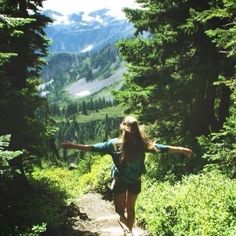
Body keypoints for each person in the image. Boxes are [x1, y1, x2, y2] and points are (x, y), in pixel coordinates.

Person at [62, 115, 192, 235]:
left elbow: (92, 147)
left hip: (120, 181)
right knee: (131, 209)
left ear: (123, 129)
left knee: (119, 211)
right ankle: (129, 231)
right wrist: (182, 149)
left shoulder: (112, 144)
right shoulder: (143, 144)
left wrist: (73, 146)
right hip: (135, 181)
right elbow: (163, 148)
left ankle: (126, 230)